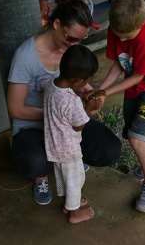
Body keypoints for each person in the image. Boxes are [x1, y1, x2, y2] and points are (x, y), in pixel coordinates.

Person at [7, 0, 122, 206]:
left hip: (66, 126)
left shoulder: (70, 50)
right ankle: (42, 177)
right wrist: (57, 116)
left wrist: (90, 94)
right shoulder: (26, 56)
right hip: (33, 126)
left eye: (81, 40)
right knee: (33, 163)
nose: (74, 45)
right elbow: (16, 109)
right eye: (71, 38)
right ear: (57, 24)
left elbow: (77, 83)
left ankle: (73, 159)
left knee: (110, 150)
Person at [97, 0, 145, 212]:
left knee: (137, 137)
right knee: (131, 132)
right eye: (118, 36)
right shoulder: (117, 30)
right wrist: (101, 90)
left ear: (142, 23)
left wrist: (106, 92)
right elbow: (120, 64)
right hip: (133, 90)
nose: (122, 41)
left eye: (127, 38)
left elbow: (139, 75)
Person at [44, 44, 100, 223]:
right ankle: (75, 213)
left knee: (64, 177)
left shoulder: (52, 85)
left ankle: (70, 204)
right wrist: (88, 107)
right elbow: (79, 125)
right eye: (87, 80)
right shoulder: (72, 102)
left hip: (54, 145)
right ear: (78, 80)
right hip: (69, 150)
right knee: (75, 180)